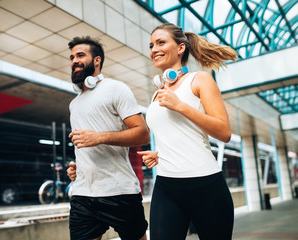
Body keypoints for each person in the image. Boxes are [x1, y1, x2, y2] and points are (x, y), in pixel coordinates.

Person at [137, 23, 238, 240]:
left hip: (206, 185)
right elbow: (178, 134)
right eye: (151, 45)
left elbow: (224, 132)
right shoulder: (158, 94)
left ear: (180, 48)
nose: (154, 49)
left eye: (161, 42)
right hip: (166, 186)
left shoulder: (199, 79)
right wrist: (160, 154)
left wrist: (181, 106)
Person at [66, 36, 150, 240]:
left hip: (119, 191)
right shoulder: (74, 104)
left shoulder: (115, 89)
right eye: (71, 57)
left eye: (80, 55)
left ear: (97, 60)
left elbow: (142, 132)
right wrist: (79, 166)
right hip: (83, 194)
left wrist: (99, 138)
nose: (74, 60)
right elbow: (85, 143)